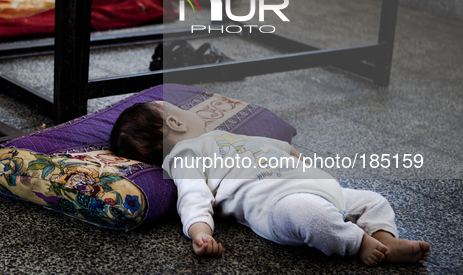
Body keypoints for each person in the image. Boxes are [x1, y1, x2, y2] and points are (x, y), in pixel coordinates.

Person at [110, 101, 431, 266]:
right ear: (175, 122)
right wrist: (200, 231)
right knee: (311, 216)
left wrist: (300, 162)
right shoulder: (185, 153)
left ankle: (384, 236)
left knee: (374, 200)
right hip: (278, 206)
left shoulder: (222, 138)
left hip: (316, 186)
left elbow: (274, 147)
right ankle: (359, 244)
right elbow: (191, 194)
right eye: (182, 110)